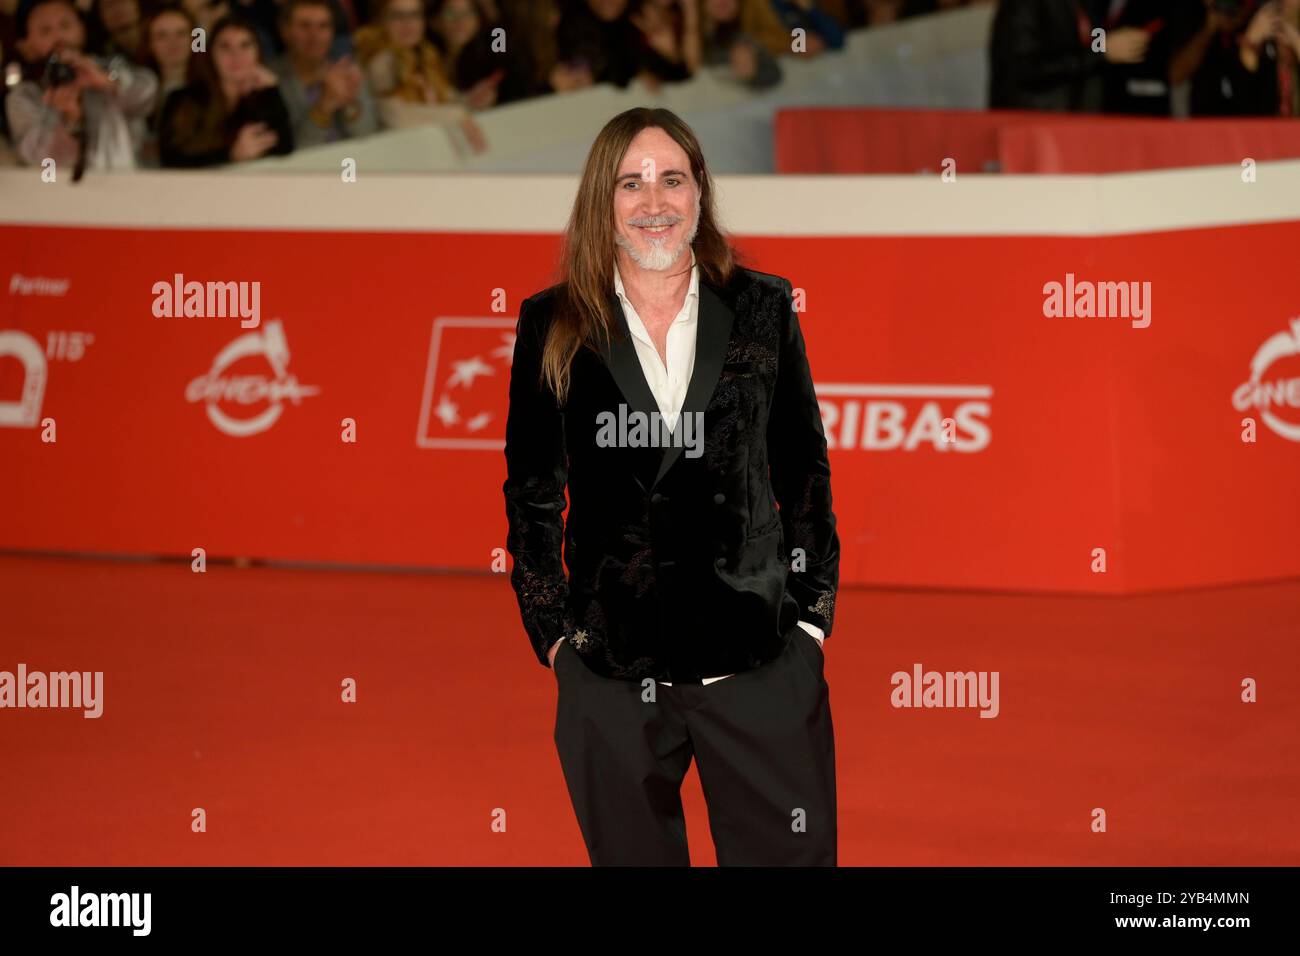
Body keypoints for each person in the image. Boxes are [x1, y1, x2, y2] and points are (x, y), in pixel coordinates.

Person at [503, 106, 840, 866]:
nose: (653, 202)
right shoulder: (554, 323)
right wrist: (554, 636)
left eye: (671, 179)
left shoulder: (762, 307)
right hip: (610, 667)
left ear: (699, 194)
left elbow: (803, 468)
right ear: (603, 200)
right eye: (631, 183)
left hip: (754, 656)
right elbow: (531, 492)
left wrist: (811, 618)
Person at [5, 0, 157, 171]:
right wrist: (70, 121)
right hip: (60, 193)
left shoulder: (112, 67)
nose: (58, 36)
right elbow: (41, 161)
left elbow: (148, 95)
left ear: (82, 29)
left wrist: (107, 83)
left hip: (128, 184)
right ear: (27, 44)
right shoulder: (25, 95)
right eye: (45, 31)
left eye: (65, 25)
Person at [157, 13, 293, 166]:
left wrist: (272, 90)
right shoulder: (180, 99)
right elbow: (170, 162)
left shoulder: (263, 97)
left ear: (258, 52)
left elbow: (284, 151)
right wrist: (230, 155)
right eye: (225, 47)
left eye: (245, 45)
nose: (236, 56)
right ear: (211, 55)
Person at [274, 0, 378, 147]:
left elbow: (368, 136)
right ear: (285, 31)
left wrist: (350, 101)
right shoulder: (271, 79)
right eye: (305, 26)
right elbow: (293, 150)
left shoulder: (346, 69)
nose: (315, 36)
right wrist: (324, 106)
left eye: (323, 26)